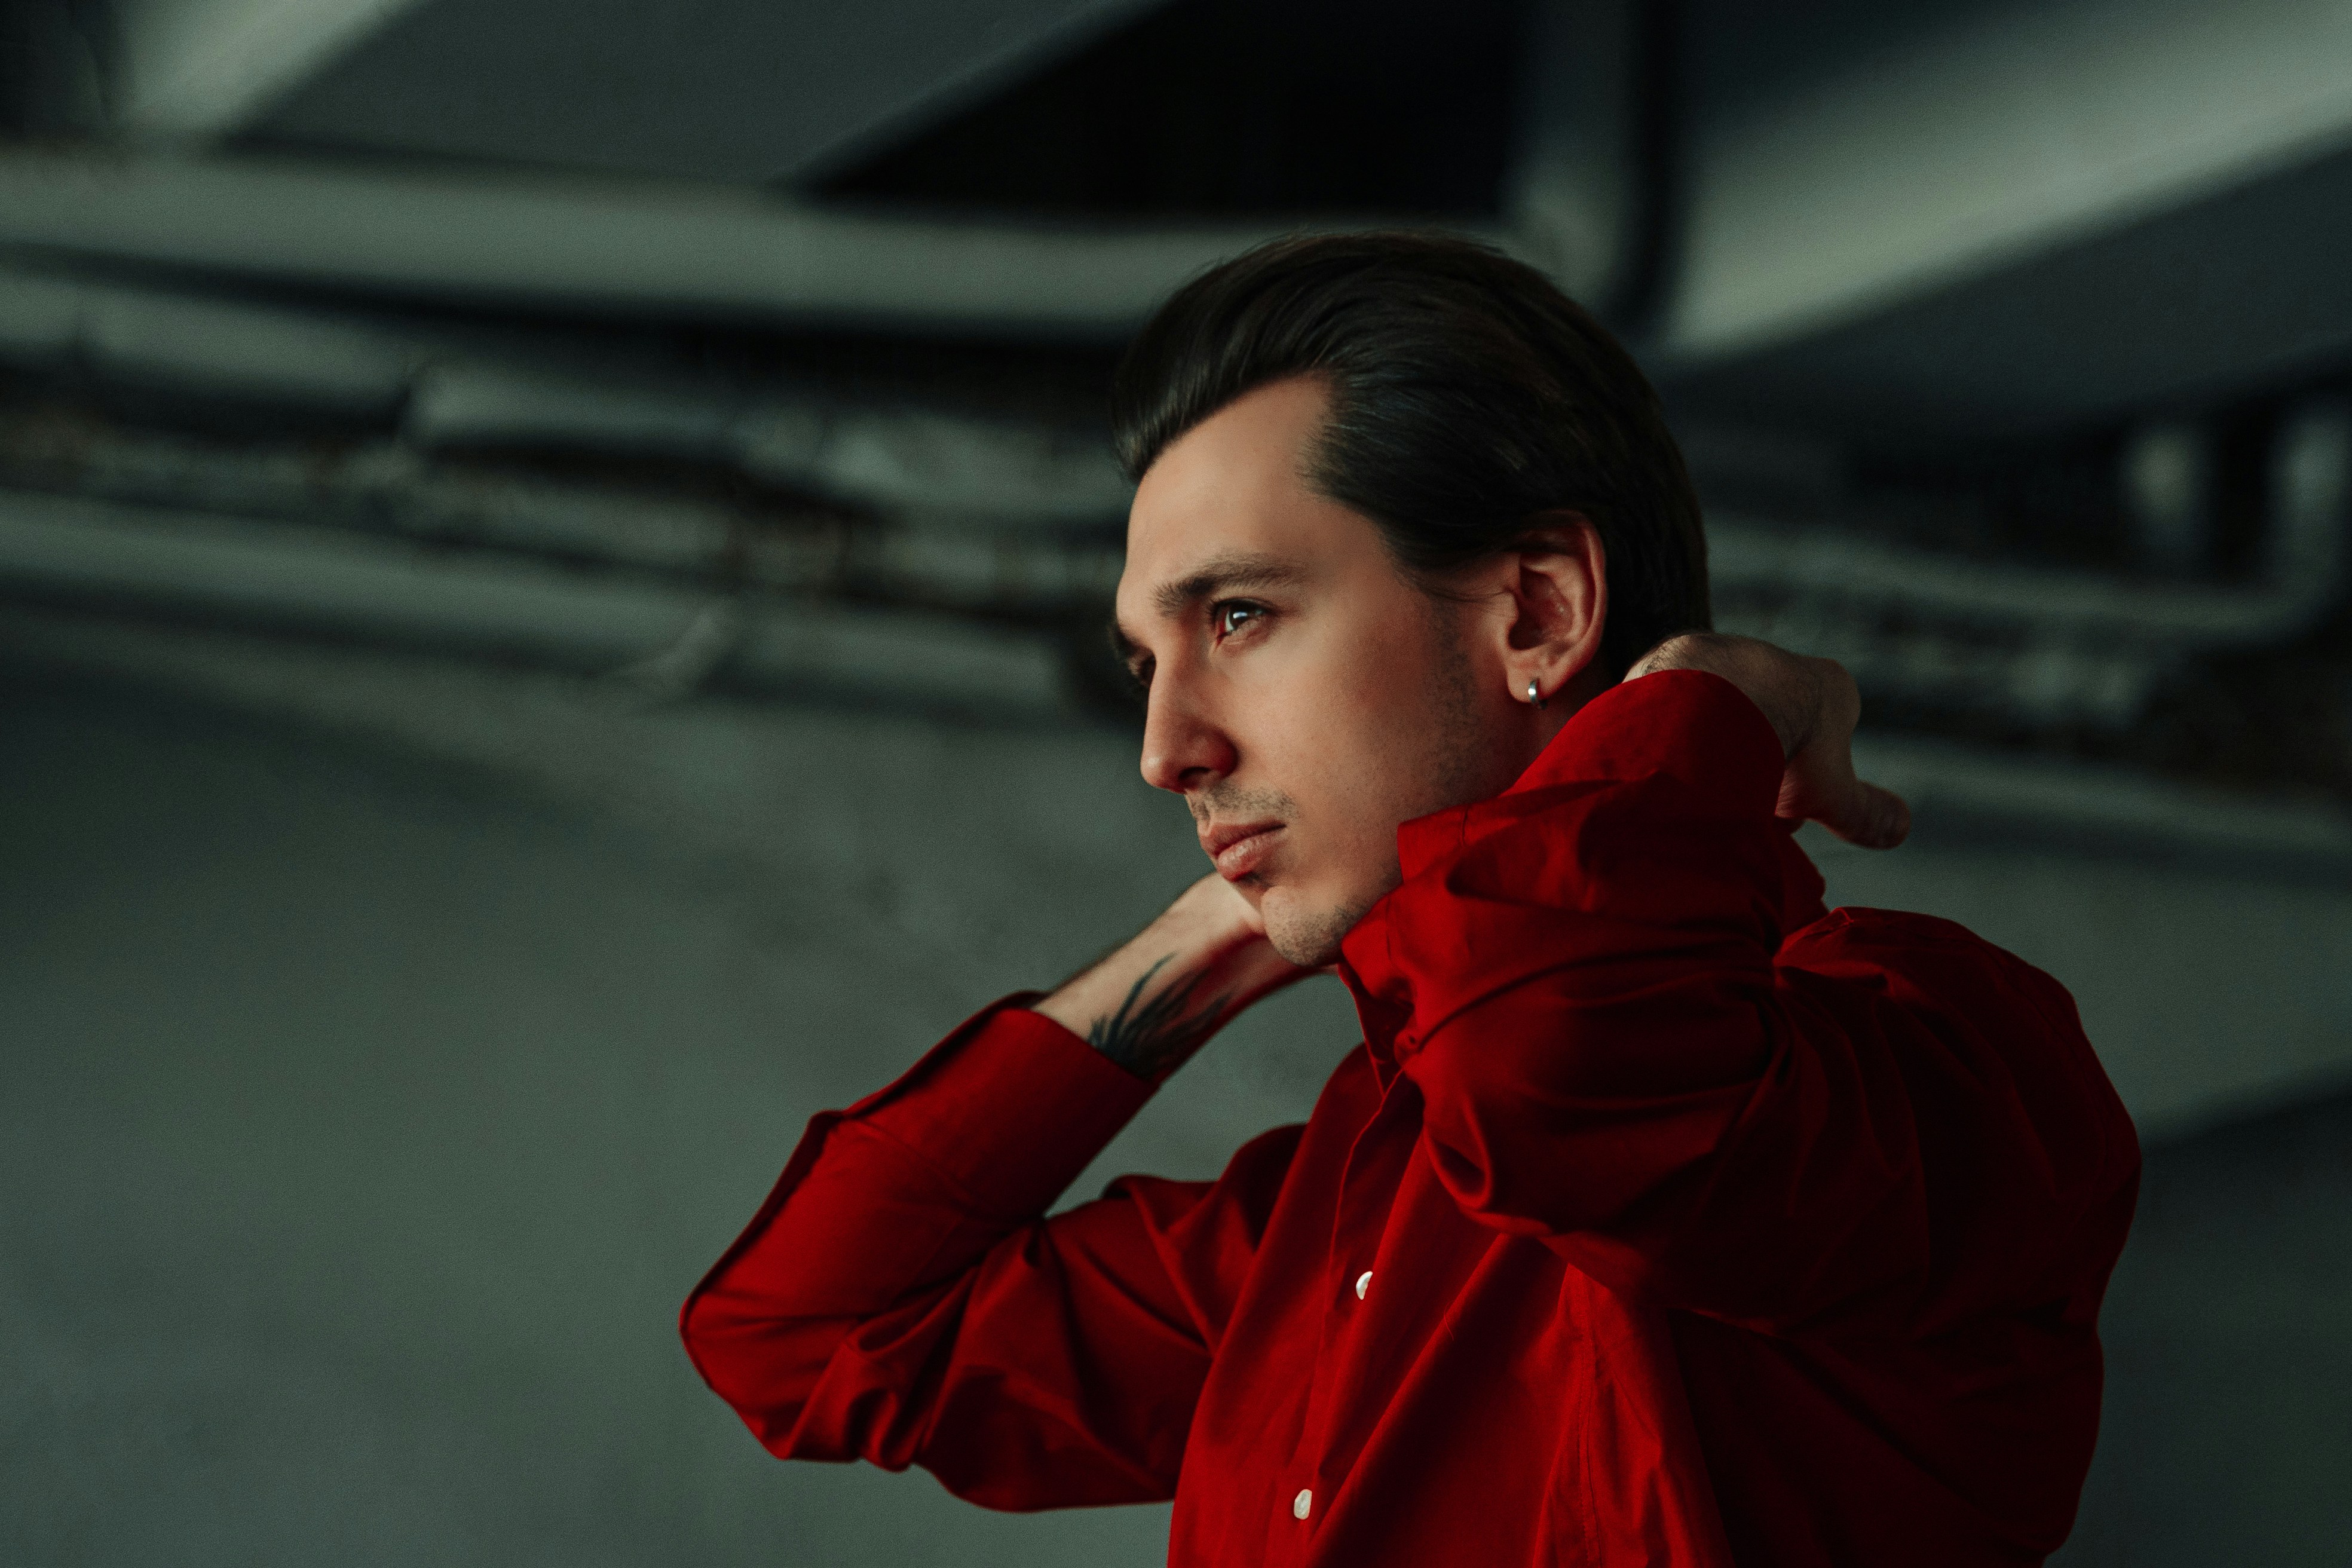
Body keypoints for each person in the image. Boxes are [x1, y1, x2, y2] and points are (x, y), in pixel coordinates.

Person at [679, 234, 2140, 1567]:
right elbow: (810, 1334)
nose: (1163, 748)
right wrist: (1215, 936)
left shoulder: (1937, 1055)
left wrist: (1718, 689)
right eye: (1148, 661)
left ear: (1539, 614)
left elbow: (1560, 1057)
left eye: (1238, 616)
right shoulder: (1346, 1210)